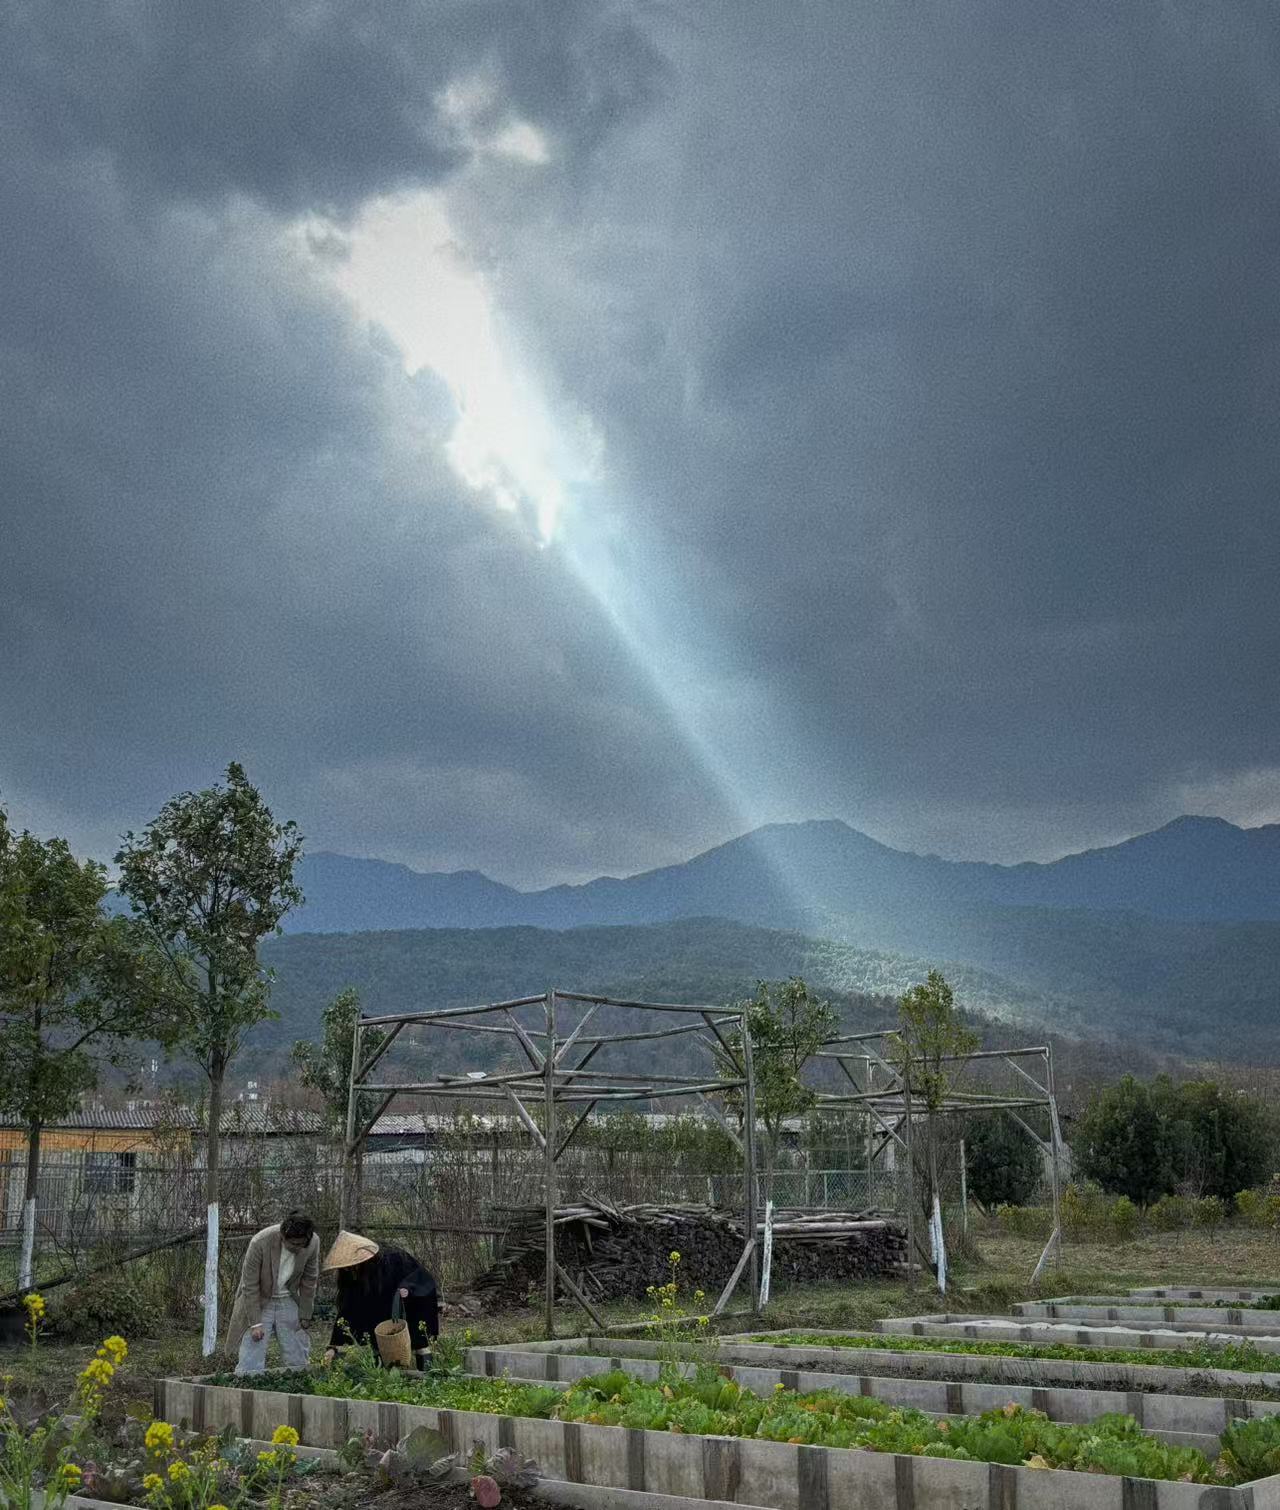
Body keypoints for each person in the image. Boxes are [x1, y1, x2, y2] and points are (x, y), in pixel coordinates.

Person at [321, 1229, 439, 1368]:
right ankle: (385, 1372)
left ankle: (427, 1376)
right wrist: (334, 1345)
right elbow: (347, 1307)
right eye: (346, 1267)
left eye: (351, 1266)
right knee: (378, 1333)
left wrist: (407, 1289)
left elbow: (420, 1280)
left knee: (420, 1338)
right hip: (387, 1304)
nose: (349, 1269)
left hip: (415, 1298)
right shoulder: (350, 1274)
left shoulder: (391, 1260)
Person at [226, 1210, 320, 1376]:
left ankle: (298, 1382)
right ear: (283, 1236)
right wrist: (255, 1323)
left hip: (289, 1298)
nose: (298, 1248)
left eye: (301, 1244)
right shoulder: (260, 1242)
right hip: (260, 1298)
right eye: (294, 1245)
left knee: (297, 1350)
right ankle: (248, 1383)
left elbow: (309, 1280)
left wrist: (305, 1314)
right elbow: (250, 1285)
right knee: (252, 1351)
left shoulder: (313, 1243)